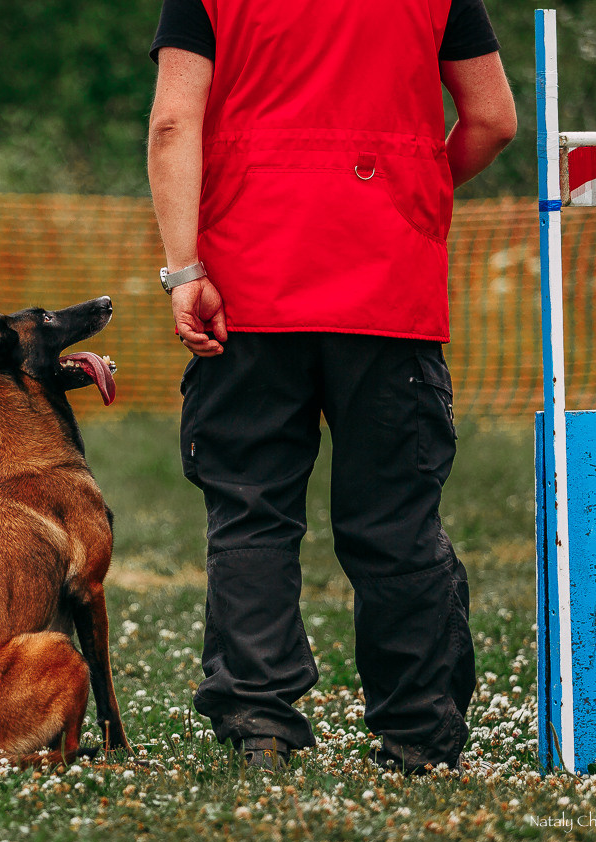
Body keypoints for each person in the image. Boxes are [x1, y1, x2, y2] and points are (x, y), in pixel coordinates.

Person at [147, 0, 516, 772]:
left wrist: (185, 270)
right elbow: (492, 120)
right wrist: (410, 192)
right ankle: (419, 735)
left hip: (248, 285)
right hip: (388, 285)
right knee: (396, 518)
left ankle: (259, 724)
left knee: (251, 508)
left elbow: (173, 124)